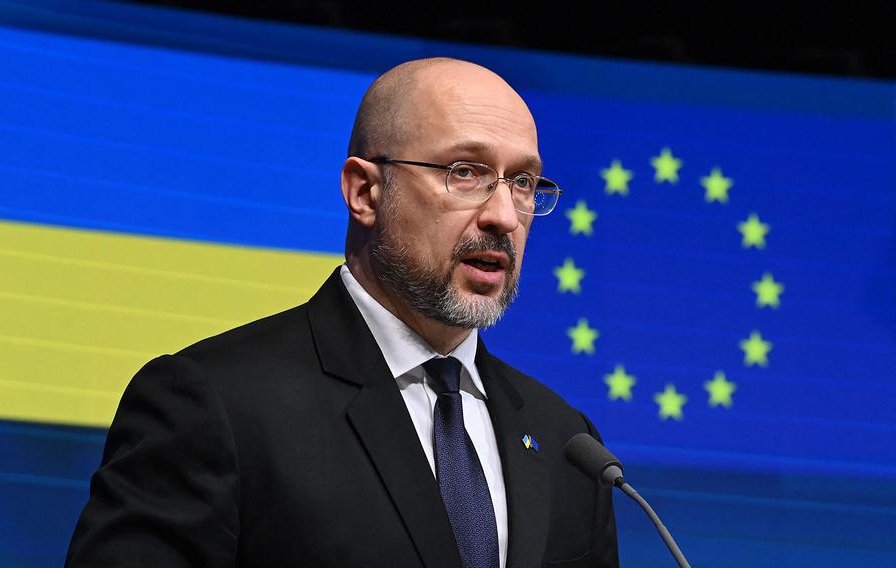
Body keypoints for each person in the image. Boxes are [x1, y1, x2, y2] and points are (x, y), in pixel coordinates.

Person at [66, 58, 618, 568]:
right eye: (465, 172)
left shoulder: (568, 442)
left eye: (522, 182)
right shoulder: (215, 405)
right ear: (365, 192)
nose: (504, 215)